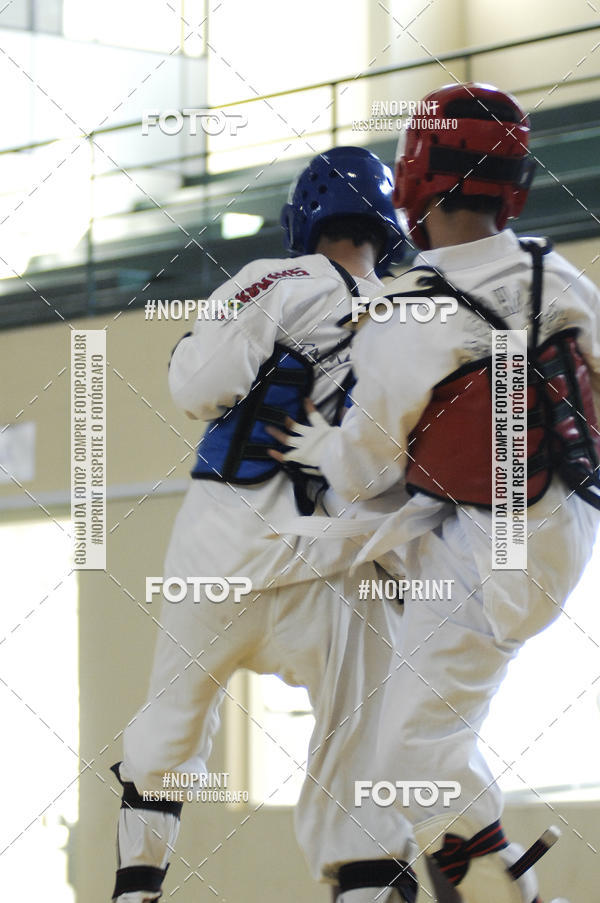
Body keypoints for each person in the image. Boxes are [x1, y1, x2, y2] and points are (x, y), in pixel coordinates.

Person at [271, 83, 600, 903]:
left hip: (487, 552)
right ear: (514, 182)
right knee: (424, 742)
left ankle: (496, 879)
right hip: (559, 526)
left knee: (411, 755)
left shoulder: (407, 314)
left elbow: (365, 468)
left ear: (414, 176)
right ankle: (484, 867)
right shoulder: (554, 271)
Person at [110, 147, 421, 903]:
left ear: (303, 216)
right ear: (391, 226)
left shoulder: (270, 279)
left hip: (222, 552)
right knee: (359, 775)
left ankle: (135, 887)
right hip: (342, 567)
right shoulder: (417, 312)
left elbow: (197, 386)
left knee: (169, 730)